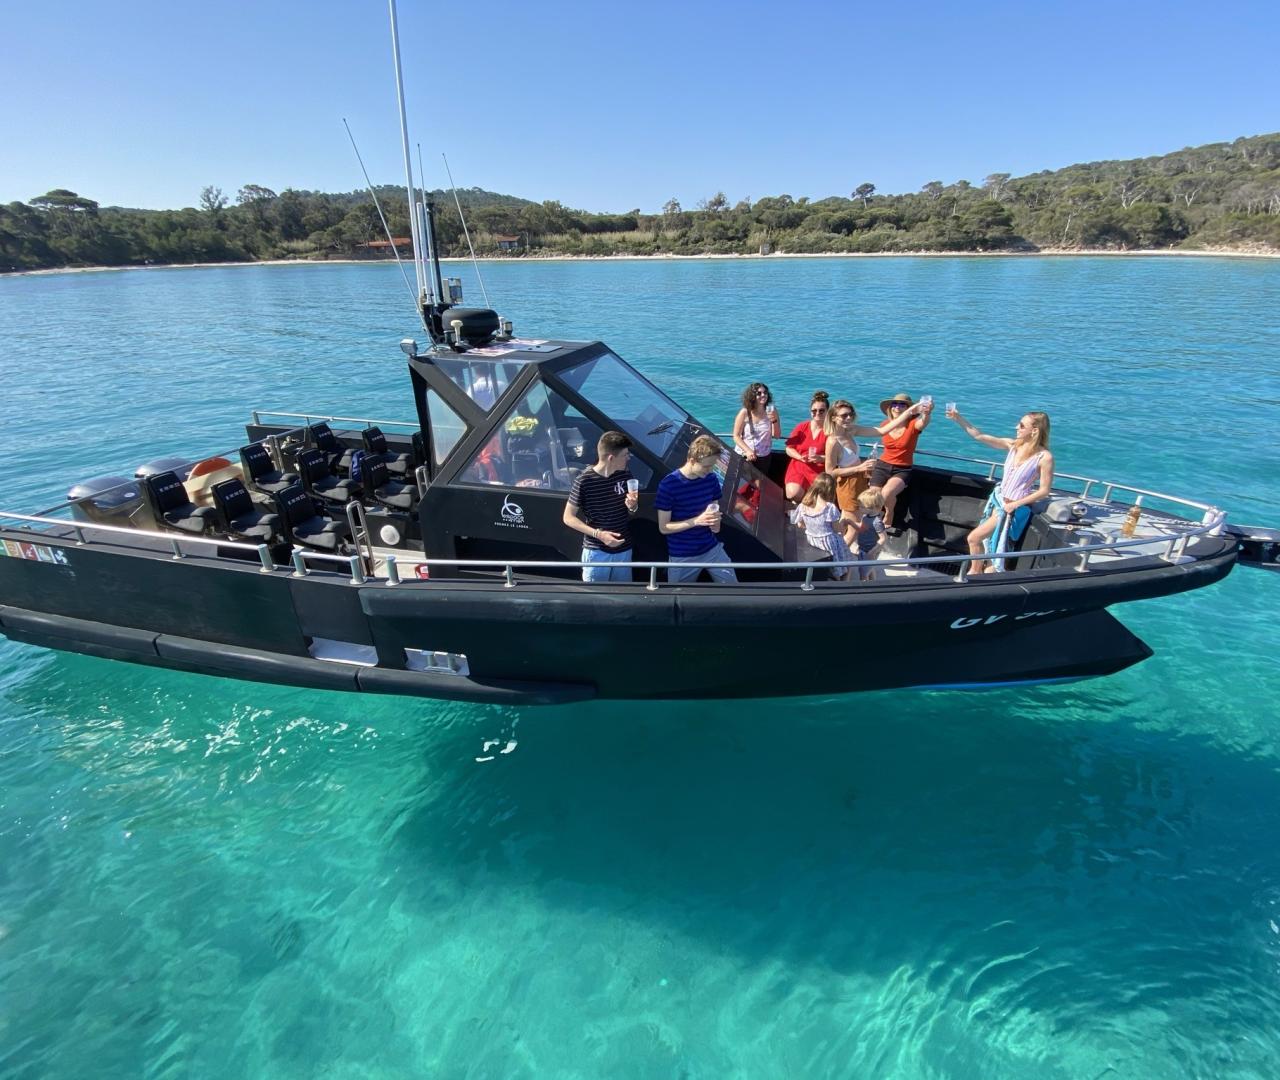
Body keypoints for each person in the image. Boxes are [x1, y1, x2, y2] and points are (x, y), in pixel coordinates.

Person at [946, 406, 1055, 574]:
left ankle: (975, 574)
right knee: (989, 546)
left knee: (976, 539)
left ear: (1034, 431)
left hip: (1012, 509)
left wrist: (1015, 504)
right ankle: (977, 574)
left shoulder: (1044, 457)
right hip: (999, 502)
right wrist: (958, 418)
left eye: (1021, 425)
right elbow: (979, 435)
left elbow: (1044, 491)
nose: (1016, 428)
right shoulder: (1013, 445)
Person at [655, 434, 738, 583]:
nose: (710, 470)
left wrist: (715, 523)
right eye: (706, 466)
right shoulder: (668, 485)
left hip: (711, 547)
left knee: (733, 587)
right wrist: (697, 521)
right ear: (692, 460)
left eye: (712, 465)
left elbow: (715, 515)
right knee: (677, 596)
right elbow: (664, 527)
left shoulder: (711, 479)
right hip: (682, 554)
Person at [562, 430, 640, 581]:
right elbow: (568, 517)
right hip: (597, 552)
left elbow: (632, 511)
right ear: (611, 458)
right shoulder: (584, 481)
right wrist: (600, 535)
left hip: (623, 550)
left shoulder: (625, 475)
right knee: (596, 599)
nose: (628, 458)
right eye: (625, 455)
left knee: (623, 595)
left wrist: (632, 506)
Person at [868, 393, 932, 534]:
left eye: (902, 404)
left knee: (886, 493)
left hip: (902, 468)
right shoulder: (885, 425)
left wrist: (927, 413)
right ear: (890, 408)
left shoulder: (912, 425)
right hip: (882, 465)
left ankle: (889, 513)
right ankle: (874, 519)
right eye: (895, 404)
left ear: (908, 408)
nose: (898, 407)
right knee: (873, 496)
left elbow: (924, 422)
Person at [789, 472, 855, 580]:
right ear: (830, 490)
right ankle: (843, 579)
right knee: (849, 559)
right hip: (828, 542)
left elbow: (800, 524)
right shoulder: (830, 508)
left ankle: (834, 572)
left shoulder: (803, 505)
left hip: (812, 539)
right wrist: (845, 522)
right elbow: (837, 529)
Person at [823, 399, 878, 513]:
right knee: (852, 521)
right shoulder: (833, 442)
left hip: (860, 480)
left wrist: (909, 412)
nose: (848, 418)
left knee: (854, 518)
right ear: (833, 418)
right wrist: (859, 468)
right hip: (847, 484)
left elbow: (881, 431)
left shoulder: (849, 432)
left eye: (851, 414)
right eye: (844, 415)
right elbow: (830, 472)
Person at [783, 390, 831, 500]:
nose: (817, 413)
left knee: (815, 499)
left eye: (821, 410)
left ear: (828, 411)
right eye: (814, 411)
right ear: (810, 412)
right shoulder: (802, 427)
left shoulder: (830, 431)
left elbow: (836, 457)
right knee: (793, 494)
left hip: (818, 468)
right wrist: (800, 457)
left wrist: (820, 458)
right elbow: (789, 449)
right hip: (799, 464)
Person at [732, 381, 781, 476]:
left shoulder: (772, 410)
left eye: (765, 392)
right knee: (742, 484)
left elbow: (777, 436)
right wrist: (748, 451)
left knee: (759, 485)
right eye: (759, 393)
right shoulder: (745, 412)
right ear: (752, 396)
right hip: (745, 455)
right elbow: (736, 436)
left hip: (763, 456)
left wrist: (774, 421)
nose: (763, 395)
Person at [849, 488, 887, 580]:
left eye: (862, 506)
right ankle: (873, 584)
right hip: (863, 549)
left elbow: (883, 538)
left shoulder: (877, 522)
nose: (859, 508)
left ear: (872, 507)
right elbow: (862, 527)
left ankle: (864, 590)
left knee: (863, 573)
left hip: (870, 551)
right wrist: (851, 523)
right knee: (868, 569)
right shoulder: (865, 516)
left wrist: (873, 551)